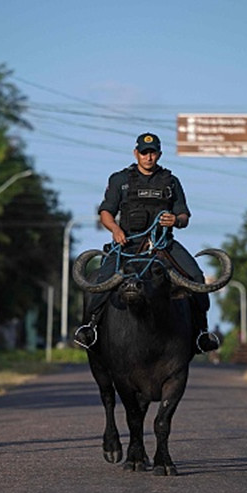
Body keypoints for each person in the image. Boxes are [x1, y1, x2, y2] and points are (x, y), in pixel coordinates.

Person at [74, 132, 219, 354]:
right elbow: (105, 212)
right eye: (144, 153)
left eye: (152, 153)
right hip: (127, 244)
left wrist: (175, 220)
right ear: (136, 153)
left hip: (163, 245)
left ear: (159, 154)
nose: (148, 157)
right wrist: (115, 229)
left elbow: (184, 215)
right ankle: (90, 327)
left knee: (196, 278)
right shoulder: (120, 180)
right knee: (102, 280)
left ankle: (201, 333)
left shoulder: (171, 182)